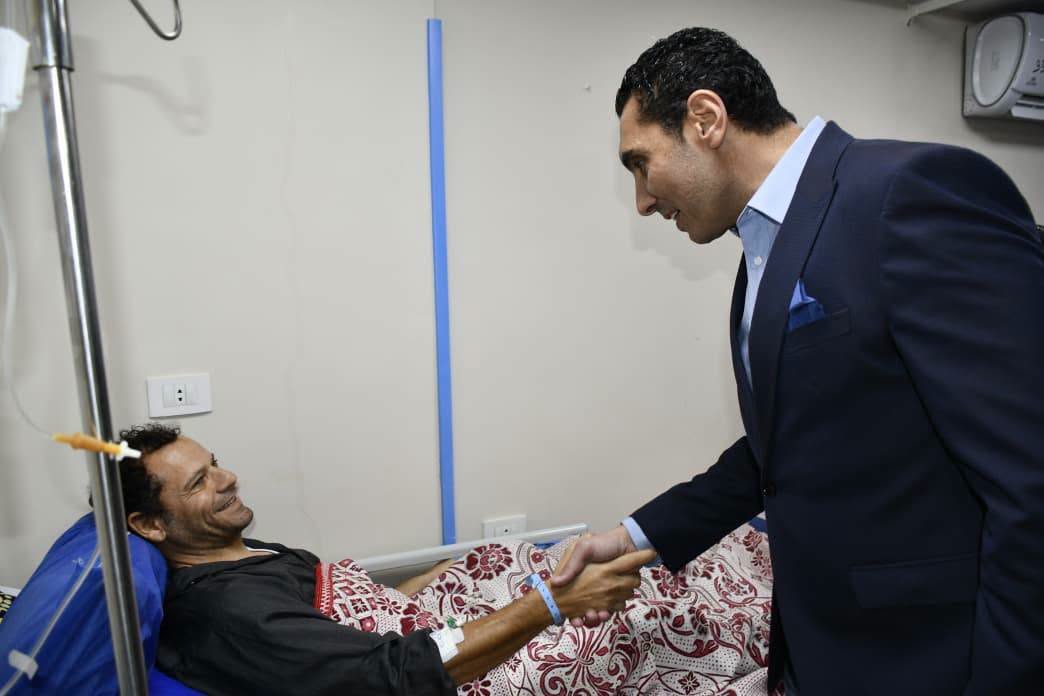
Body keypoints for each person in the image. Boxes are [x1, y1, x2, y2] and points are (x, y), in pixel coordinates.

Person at [553, 26, 1044, 696]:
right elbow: (782, 451)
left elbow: (1030, 476)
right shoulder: (763, 250)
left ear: (705, 119)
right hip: (824, 650)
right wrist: (636, 535)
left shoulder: (905, 194)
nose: (641, 201)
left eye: (641, 163)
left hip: (927, 657)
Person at [117, 423, 653, 695]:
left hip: (430, 618)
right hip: (445, 670)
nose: (228, 478)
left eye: (215, 463)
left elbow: (346, 612)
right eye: (199, 482)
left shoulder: (238, 554)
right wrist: (549, 604)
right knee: (633, 619)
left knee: (517, 556)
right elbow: (394, 674)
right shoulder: (232, 614)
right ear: (149, 525)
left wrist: (441, 578)